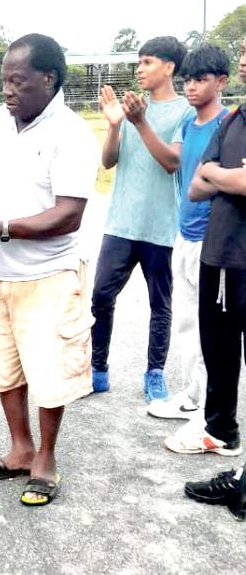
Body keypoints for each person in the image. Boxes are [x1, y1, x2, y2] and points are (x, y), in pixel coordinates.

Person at [0, 34, 99, 506]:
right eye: (4, 80)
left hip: (49, 277)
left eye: (17, 81)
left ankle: (45, 459)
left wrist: (1, 228)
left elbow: (69, 215)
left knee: (50, 375)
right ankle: (20, 449)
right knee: (6, 369)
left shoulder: (72, 134)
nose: (7, 90)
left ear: (48, 79)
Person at [91, 36, 193, 402]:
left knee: (160, 305)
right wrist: (115, 125)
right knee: (101, 295)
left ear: (169, 67)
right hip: (121, 223)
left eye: (147, 62)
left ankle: (154, 373)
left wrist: (140, 121)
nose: (139, 69)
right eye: (139, 62)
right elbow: (108, 162)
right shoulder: (132, 108)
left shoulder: (185, 112)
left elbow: (172, 162)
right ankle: (97, 369)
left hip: (161, 226)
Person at [146, 45, 230, 430]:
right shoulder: (188, 125)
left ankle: (212, 412)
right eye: (188, 80)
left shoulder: (229, 125)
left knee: (214, 329)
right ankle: (192, 396)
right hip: (184, 234)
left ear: (221, 82)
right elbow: (172, 162)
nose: (192, 87)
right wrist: (138, 122)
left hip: (215, 241)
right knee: (186, 323)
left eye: (201, 80)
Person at [183, 36, 246, 520]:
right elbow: (195, 186)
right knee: (219, 356)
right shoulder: (234, 119)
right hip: (219, 260)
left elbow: (229, 180)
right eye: (243, 52)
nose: (244, 60)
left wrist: (220, 174)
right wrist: (228, 175)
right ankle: (222, 434)